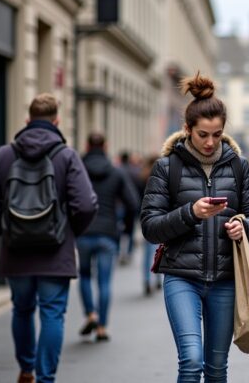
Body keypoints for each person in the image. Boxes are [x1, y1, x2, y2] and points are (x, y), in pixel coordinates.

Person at [139, 72, 249, 383]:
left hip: (225, 279)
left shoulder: (238, 166)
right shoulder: (167, 167)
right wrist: (190, 213)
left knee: (217, 368)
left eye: (217, 134)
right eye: (203, 134)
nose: (210, 142)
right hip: (182, 277)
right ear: (187, 130)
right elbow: (150, 227)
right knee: (191, 360)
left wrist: (244, 227)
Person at [0, 94, 98, 383]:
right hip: (55, 252)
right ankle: (46, 378)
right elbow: (86, 205)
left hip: (15, 251)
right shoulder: (66, 156)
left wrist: (9, 231)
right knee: (52, 314)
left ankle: (26, 370)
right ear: (57, 121)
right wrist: (67, 233)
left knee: (21, 309)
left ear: (27, 120)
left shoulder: (5, 154)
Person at [77, 133, 139, 342]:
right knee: (104, 281)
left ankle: (90, 314)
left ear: (86, 145)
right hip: (108, 234)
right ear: (106, 146)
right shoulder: (116, 171)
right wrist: (123, 222)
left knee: (85, 275)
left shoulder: (78, 169)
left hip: (83, 232)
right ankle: (102, 326)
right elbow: (133, 203)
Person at [139, 153, 162, 295]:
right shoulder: (163, 176)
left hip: (146, 217)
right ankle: (157, 279)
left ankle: (147, 280)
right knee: (160, 250)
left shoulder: (143, 177)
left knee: (147, 251)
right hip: (161, 217)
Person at [117, 151, 142, 265]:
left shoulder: (117, 171)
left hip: (119, 205)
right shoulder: (136, 171)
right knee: (130, 231)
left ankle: (118, 252)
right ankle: (129, 253)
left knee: (118, 230)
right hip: (131, 206)